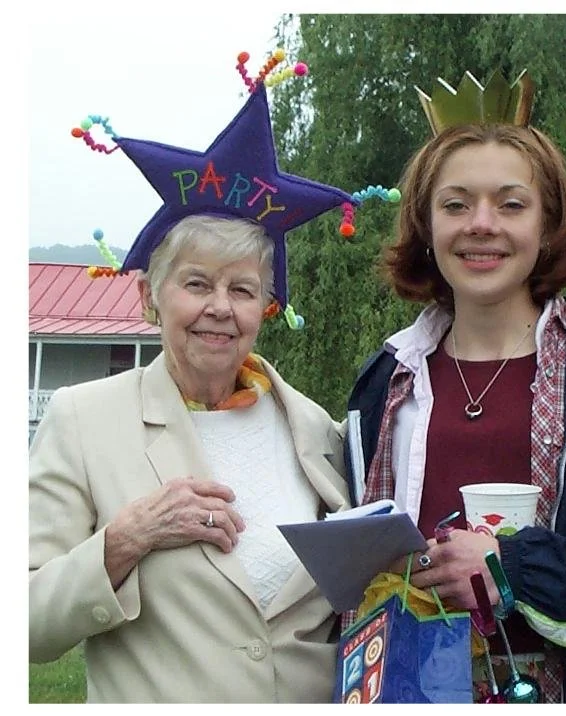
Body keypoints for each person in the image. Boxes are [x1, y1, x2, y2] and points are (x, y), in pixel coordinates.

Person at [29, 50, 397, 702]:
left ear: (266, 307)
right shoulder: (83, 420)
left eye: (242, 289)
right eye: (196, 284)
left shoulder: (315, 430)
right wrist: (126, 538)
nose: (220, 308)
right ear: (151, 296)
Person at [344, 70, 566, 703]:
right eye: (455, 204)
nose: (483, 224)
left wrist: (512, 569)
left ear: (547, 222)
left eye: (511, 203)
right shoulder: (386, 378)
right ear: (426, 224)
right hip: (410, 686)